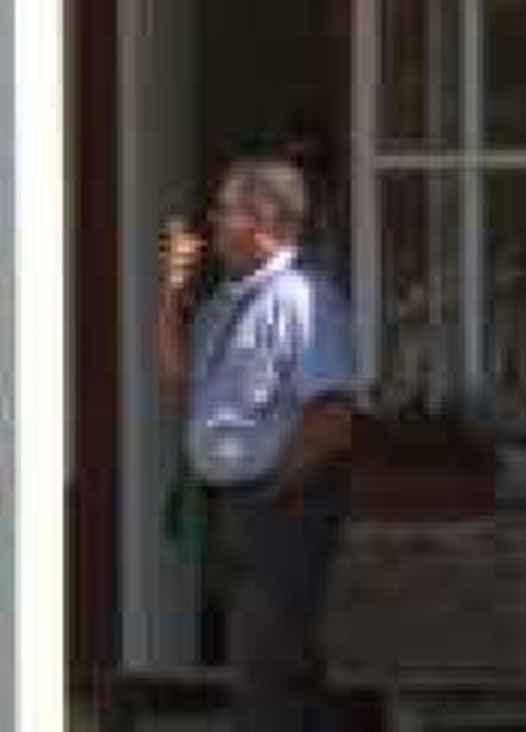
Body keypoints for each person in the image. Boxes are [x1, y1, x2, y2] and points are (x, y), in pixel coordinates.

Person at [157, 157, 356, 732]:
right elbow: (173, 375)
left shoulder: (301, 299)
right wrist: (172, 291)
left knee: (277, 668)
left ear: (263, 220)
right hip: (228, 508)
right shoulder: (225, 300)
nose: (213, 222)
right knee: (251, 665)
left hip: (281, 508)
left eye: (225, 210)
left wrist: (275, 490)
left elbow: (334, 415)